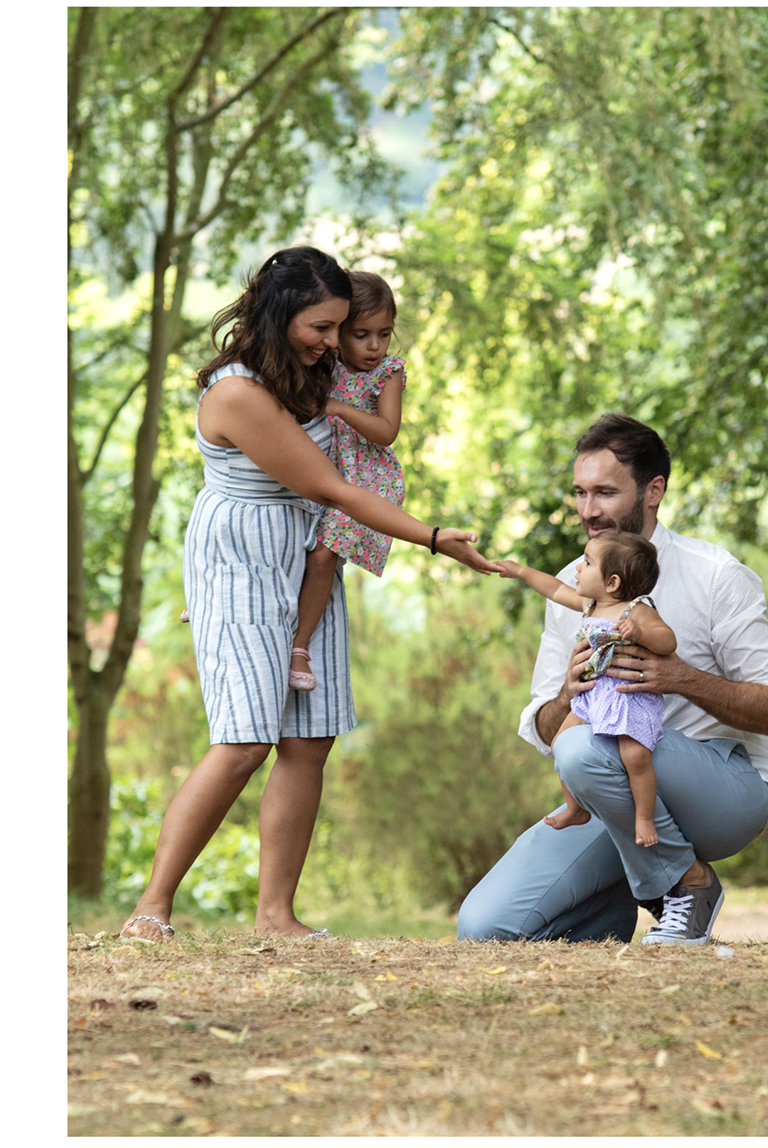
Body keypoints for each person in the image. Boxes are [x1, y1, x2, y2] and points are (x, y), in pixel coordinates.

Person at [119, 246, 496, 942]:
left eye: (339, 328)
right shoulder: (238, 393)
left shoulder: (311, 368)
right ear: (281, 313)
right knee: (243, 740)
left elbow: (367, 445)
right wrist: (434, 537)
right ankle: (151, 908)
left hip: (307, 549)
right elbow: (331, 486)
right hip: (245, 555)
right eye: (321, 327)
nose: (333, 343)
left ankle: (275, 916)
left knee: (309, 736)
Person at [456, 414, 768, 946]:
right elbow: (546, 727)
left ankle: (691, 884)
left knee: (585, 748)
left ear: (653, 490)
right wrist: (569, 690)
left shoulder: (716, 575)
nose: (589, 511)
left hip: (726, 791)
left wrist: (681, 679)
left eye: (606, 493)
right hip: (612, 792)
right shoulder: (577, 583)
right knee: (485, 928)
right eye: (580, 493)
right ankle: (620, 906)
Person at [492, 529, 676, 842]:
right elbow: (554, 588)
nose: (578, 567)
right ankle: (575, 807)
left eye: (587, 563)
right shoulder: (589, 605)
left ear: (613, 582)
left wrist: (641, 633)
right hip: (592, 695)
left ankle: (645, 819)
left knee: (635, 757)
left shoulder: (638, 610)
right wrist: (521, 572)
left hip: (624, 698)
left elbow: (668, 640)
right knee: (561, 744)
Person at [288, 271, 408, 692]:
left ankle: (299, 646)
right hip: (323, 465)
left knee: (323, 557)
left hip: (366, 477)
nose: (375, 346)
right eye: (362, 334)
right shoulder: (322, 358)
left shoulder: (387, 372)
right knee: (284, 531)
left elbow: (386, 431)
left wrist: (338, 407)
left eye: (384, 334)